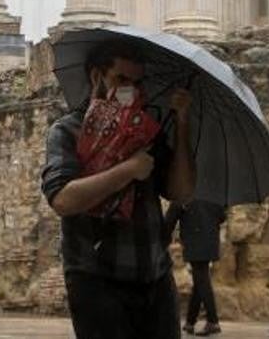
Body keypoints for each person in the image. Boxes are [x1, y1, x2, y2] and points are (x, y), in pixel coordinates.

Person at [41, 40, 197, 339]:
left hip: (153, 274)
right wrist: (128, 170)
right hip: (96, 276)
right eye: (121, 80)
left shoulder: (149, 132)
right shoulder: (68, 130)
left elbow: (182, 191)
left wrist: (182, 121)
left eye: (137, 83)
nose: (130, 90)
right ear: (97, 77)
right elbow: (62, 199)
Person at [165, 200, 228, 336]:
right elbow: (223, 215)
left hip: (194, 238)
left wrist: (164, 234)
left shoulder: (186, 187)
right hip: (210, 238)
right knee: (200, 279)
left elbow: (172, 214)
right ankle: (190, 321)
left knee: (202, 278)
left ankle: (213, 321)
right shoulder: (213, 190)